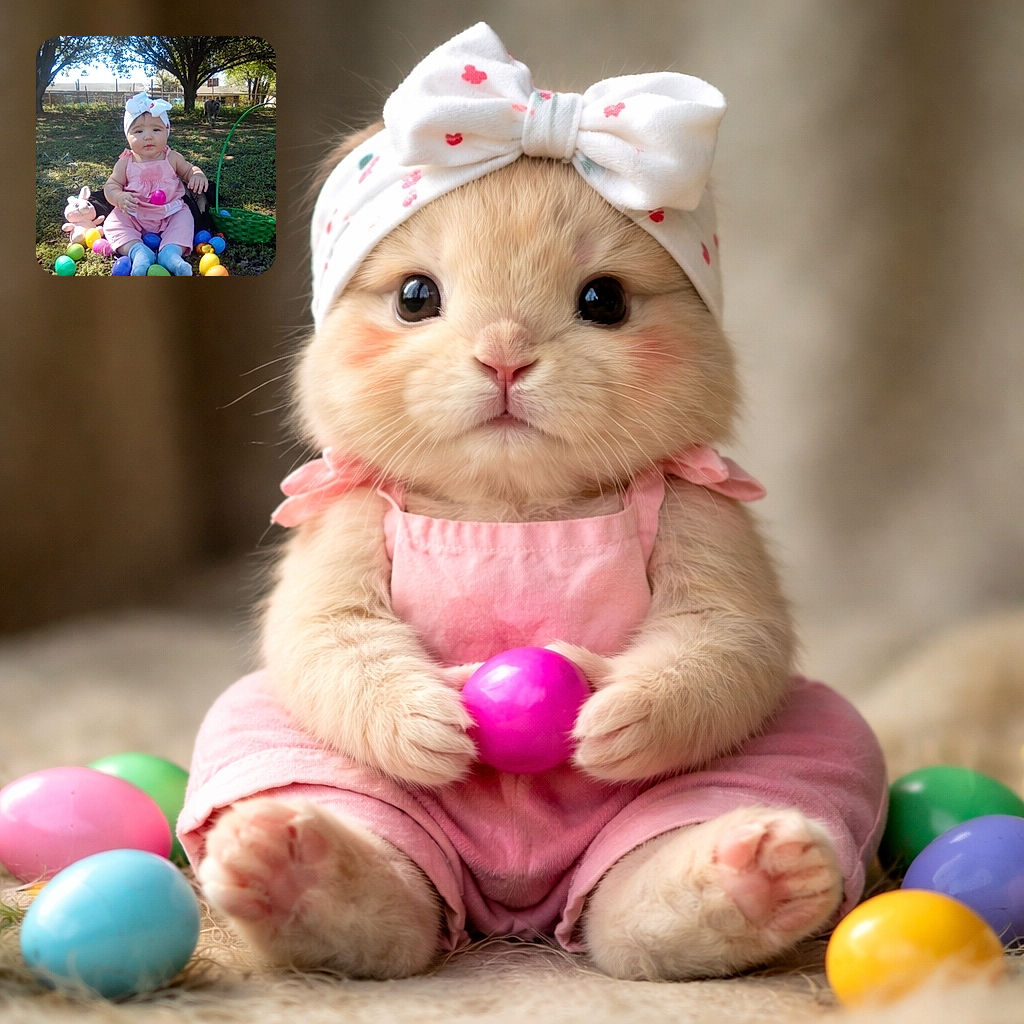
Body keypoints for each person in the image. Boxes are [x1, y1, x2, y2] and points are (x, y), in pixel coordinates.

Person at [102, 93, 208, 276]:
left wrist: (197, 175)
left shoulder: (172, 157)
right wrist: (118, 197)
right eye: (139, 131)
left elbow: (190, 170)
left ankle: (171, 253)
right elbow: (110, 185)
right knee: (113, 223)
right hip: (135, 213)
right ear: (127, 136)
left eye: (156, 130)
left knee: (184, 220)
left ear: (167, 132)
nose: (148, 137)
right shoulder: (125, 162)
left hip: (170, 212)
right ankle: (137, 251)